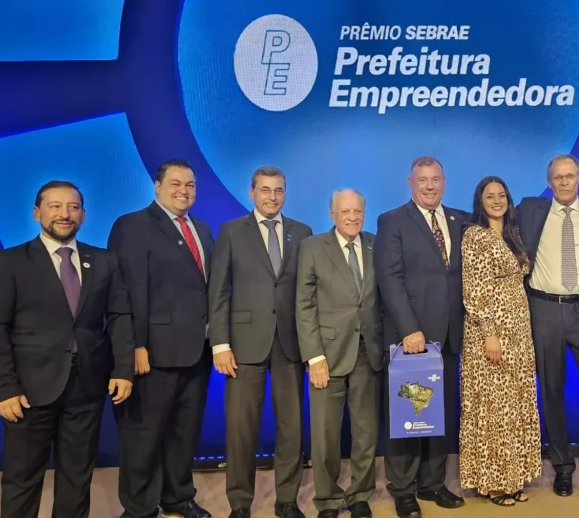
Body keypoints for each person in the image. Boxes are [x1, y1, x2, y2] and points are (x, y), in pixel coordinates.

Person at [0, 181, 134, 518]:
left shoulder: (104, 260)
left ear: (83, 215)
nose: (65, 214)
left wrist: (123, 368)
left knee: (77, 478)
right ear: (37, 213)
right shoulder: (9, 262)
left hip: (88, 386)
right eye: (55, 206)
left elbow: (120, 316)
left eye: (73, 207)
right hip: (28, 391)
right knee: (22, 480)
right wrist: (4, 387)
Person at [108, 159, 215, 518]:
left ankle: (178, 497)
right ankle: (139, 508)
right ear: (157, 186)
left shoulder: (202, 229)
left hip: (196, 352)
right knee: (143, 435)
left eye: (190, 185)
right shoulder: (132, 226)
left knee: (185, 432)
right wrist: (136, 346)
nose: (184, 191)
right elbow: (127, 291)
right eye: (176, 184)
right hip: (152, 353)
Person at [208, 166, 312, 518]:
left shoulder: (302, 232)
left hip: (290, 344)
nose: (272, 197)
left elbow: (307, 292)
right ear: (252, 192)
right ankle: (240, 504)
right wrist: (220, 344)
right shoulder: (232, 231)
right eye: (265, 190)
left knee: (291, 428)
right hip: (243, 346)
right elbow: (218, 292)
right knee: (241, 430)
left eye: (278, 190)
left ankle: (287, 501)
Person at [517, 154, 579, 510]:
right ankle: (562, 467)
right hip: (542, 309)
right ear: (549, 181)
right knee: (551, 391)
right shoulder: (530, 209)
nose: (564, 182)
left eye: (570, 176)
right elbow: (488, 213)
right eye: (557, 177)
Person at [374, 156, 467, 518]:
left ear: (445, 181)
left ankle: (432, 483)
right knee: (407, 414)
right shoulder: (392, 221)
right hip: (412, 339)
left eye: (435, 179)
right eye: (422, 180)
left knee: (439, 413)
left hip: (450, 337)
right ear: (410, 183)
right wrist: (410, 328)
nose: (429, 186)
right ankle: (403, 489)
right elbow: (390, 279)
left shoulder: (461, 220)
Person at [296, 189, 383, 518]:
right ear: (332, 214)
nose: (352, 217)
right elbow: (304, 306)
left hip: (368, 352)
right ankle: (329, 499)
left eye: (357, 211)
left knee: (366, 430)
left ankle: (360, 494)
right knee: (325, 433)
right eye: (345, 211)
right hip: (327, 355)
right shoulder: (313, 247)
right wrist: (314, 357)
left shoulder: (376, 244)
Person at [459, 176, 542, 507]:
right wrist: (489, 333)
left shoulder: (512, 233)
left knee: (515, 404)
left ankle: (513, 477)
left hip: (519, 330)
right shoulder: (475, 236)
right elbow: (474, 288)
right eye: (490, 196)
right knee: (494, 407)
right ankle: (493, 482)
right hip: (491, 331)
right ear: (480, 202)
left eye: (502, 195)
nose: (497, 201)